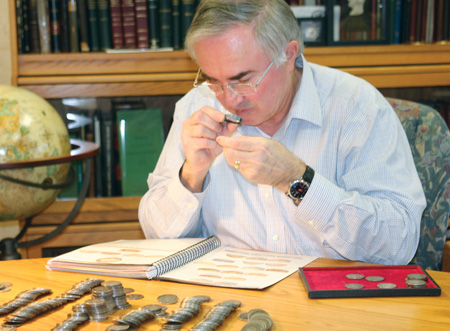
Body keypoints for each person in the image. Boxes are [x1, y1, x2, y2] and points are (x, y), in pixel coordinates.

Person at [138, 0, 426, 265]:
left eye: (243, 80)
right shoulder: (196, 106)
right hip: (229, 300)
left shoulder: (356, 108)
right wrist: (191, 175)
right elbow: (157, 238)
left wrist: (296, 180)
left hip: (332, 305)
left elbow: (398, 242)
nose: (229, 98)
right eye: (214, 80)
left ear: (288, 56)